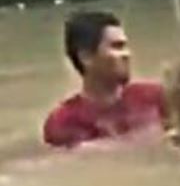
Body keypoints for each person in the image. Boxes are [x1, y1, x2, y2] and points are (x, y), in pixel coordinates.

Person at [43, 11, 167, 148]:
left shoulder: (155, 96)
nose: (127, 54)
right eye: (116, 47)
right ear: (86, 57)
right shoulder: (65, 121)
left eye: (125, 46)